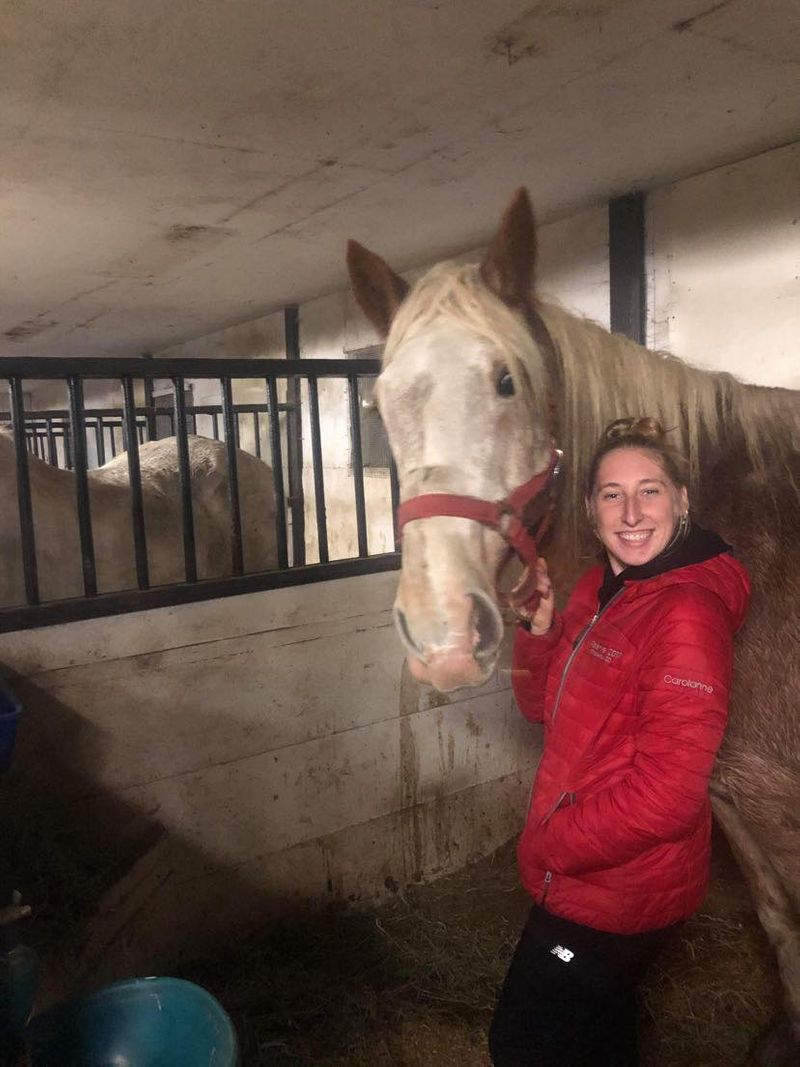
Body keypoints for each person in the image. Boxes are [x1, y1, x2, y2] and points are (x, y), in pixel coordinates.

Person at [488, 417, 750, 1066]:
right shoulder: (598, 589)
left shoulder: (685, 614)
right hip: (587, 873)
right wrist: (540, 630)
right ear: (591, 507)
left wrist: (550, 844)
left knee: (522, 1044)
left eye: (649, 491)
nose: (631, 514)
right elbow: (539, 708)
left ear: (681, 500)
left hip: (617, 888)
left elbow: (669, 798)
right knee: (598, 1034)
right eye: (612, 494)